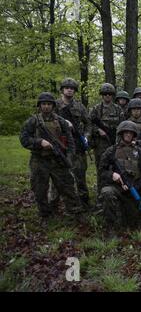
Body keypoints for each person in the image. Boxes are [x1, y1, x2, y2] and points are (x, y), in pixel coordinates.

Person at [20, 92, 83, 219]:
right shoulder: (33, 121)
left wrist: (69, 157)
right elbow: (24, 139)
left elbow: (71, 142)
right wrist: (39, 142)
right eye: (44, 104)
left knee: (67, 187)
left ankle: (75, 212)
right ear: (39, 106)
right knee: (39, 189)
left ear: (53, 106)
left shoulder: (61, 121)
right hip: (39, 160)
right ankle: (45, 214)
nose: (46, 107)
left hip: (58, 160)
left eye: (49, 104)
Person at [98, 121, 141, 228]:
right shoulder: (111, 151)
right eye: (126, 132)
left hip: (134, 190)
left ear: (134, 135)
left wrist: (137, 186)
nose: (128, 134)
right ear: (121, 133)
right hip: (116, 188)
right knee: (106, 192)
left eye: (131, 132)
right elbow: (101, 170)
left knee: (133, 223)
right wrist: (112, 174)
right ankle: (111, 227)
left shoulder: (140, 152)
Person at [53, 78, 92, 207]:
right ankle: (53, 204)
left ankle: (84, 202)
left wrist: (86, 136)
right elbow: (45, 122)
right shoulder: (54, 105)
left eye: (72, 88)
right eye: (67, 88)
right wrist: (63, 123)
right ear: (62, 90)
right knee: (58, 176)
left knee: (80, 174)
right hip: (61, 144)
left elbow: (88, 124)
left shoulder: (79, 106)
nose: (69, 90)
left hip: (77, 145)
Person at [89, 83, 123, 190]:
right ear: (102, 95)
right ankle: (101, 193)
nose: (107, 96)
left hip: (115, 142)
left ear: (112, 95)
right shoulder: (96, 109)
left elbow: (122, 125)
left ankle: (115, 190)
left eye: (109, 94)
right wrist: (98, 130)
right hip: (100, 144)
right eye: (105, 94)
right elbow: (88, 124)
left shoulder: (118, 109)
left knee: (116, 167)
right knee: (101, 168)